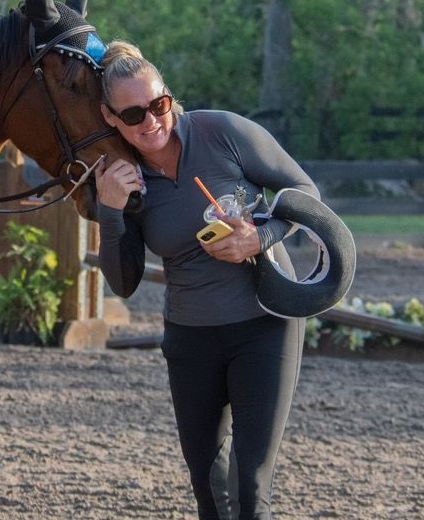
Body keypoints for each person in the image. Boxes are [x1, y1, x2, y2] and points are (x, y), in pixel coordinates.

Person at [94, 41, 317, 520]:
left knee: (249, 483)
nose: (151, 121)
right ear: (110, 118)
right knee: (208, 487)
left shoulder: (223, 132)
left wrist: (260, 237)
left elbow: (304, 191)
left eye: (158, 104)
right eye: (132, 115)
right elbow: (123, 282)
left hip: (265, 324)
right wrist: (109, 210)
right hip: (191, 337)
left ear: (168, 96)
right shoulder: (123, 179)